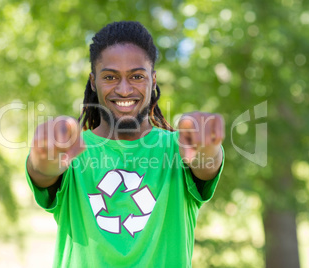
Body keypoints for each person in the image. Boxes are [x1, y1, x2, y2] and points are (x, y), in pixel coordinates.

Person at [26, 21, 225, 267]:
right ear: (93, 81)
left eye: (136, 76)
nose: (123, 89)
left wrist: (206, 146)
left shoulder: (178, 148)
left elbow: (207, 163)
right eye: (110, 77)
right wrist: (44, 156)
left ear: (153, 80)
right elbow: (41, 171)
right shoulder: (72, 149)